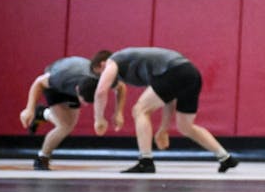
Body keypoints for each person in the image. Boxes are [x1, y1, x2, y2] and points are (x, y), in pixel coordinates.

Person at [92, 47, 238, 174]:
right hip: (191, 74)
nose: (102, 78)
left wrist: (99, 119)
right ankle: (225, 158)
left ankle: (146, 161)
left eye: (99, 74)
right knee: (185, 126)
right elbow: (170, 97)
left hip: (175, 71)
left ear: (103, 64)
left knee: (140, 110)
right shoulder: (145, 66)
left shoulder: (113, 60)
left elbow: (100, 91)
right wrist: (163, 129)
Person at [20, 50, 119, 170]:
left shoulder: (104, 78)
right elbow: (39, 82)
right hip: (55, 84)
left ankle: (43, 113)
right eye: (83, 101)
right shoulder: (63, 77)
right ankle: (42, 158)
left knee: (68, 124)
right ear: (76, 91)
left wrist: (118, 113)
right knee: (65, 126)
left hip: (77, 81)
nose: (85, 105)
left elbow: (121, 88)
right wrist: (29, 108)